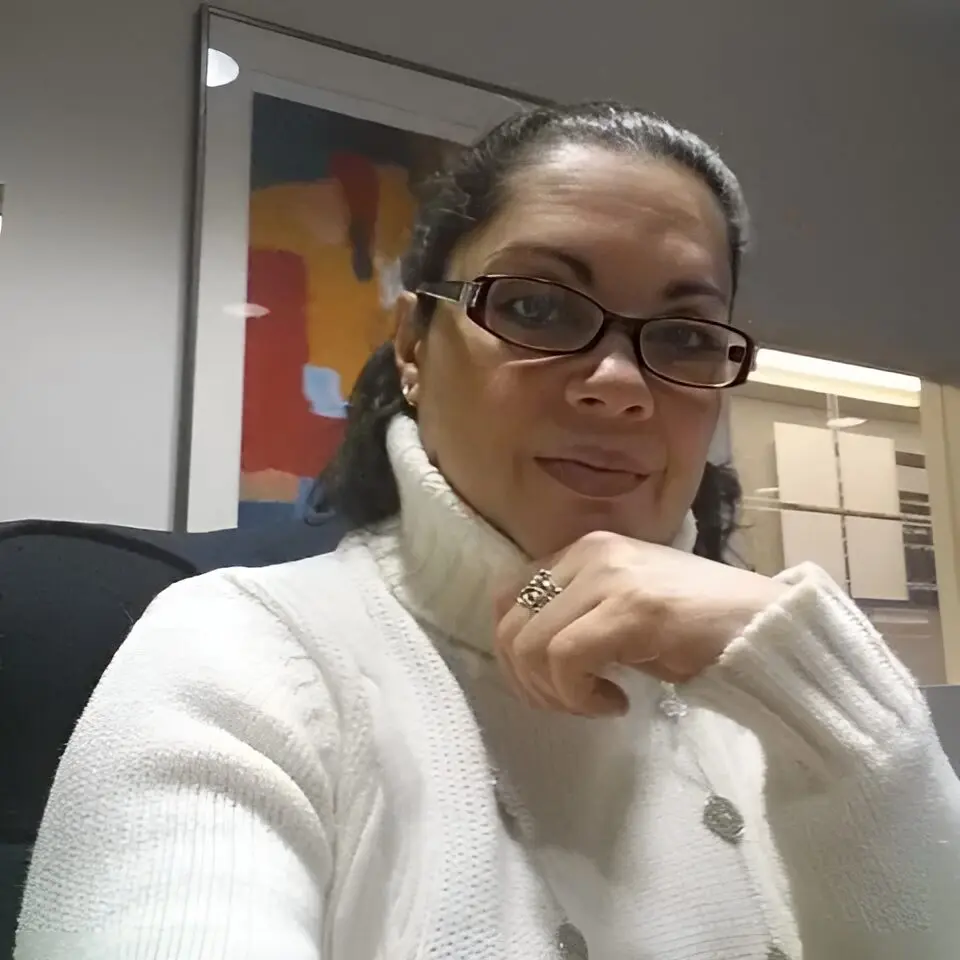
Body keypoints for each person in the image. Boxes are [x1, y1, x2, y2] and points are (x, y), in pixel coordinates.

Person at [15, 102, 960, 960]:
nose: (621, 385)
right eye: (539, 306)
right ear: (415, 347)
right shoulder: (243, 650)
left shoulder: (768, 681)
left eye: (682, 336)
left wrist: (838, 712)